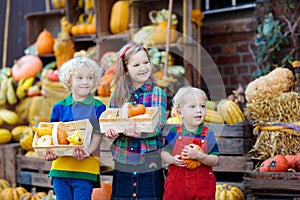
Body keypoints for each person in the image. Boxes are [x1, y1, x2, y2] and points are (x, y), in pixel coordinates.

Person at [104, 43, 167, 200]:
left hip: (149, 161)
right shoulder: (118, 96)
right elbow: (113, 122)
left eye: (146, 62)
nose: (143, 68)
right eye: (136, 65)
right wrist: (111, 133)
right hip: (123, 161)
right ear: (126, 70)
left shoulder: (157, 93)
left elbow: (158, 126)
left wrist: (141, 133)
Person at [43, 57, 106, 200]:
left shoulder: (98, 107)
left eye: (90, 78)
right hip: (60, 170)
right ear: (69, 81)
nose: (85, 82)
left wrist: (87, 151)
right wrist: (51, 152)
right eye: (80, 77)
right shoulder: (60, 106)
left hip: (85, 168)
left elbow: (97, 135)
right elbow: (53, 136)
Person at [161, 86, 220, 200]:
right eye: (192, 106)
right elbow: (164, 153)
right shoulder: (174, 132)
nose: (199, 110)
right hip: (176, 189)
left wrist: (200, 156)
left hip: (202, 188)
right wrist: (172, 160)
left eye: (202, 106)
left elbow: (215, 160)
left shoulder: (208, 134)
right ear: (180, 113)